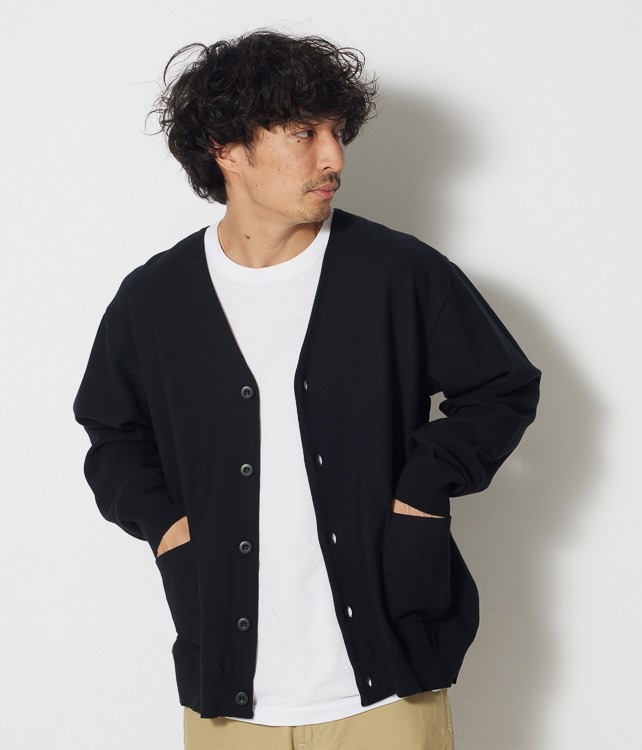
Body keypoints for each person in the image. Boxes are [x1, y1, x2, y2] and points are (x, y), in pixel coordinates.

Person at [73, 30, 540, 750]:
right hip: (228, 702)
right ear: (226, 148)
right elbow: (113, 435)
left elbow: (501, 388)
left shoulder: (398, 274)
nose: (334, 158)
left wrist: (422, 490)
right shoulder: (156, 301)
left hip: (388, 686)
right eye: (304, 134)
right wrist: (166, 526)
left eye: (337, 132)